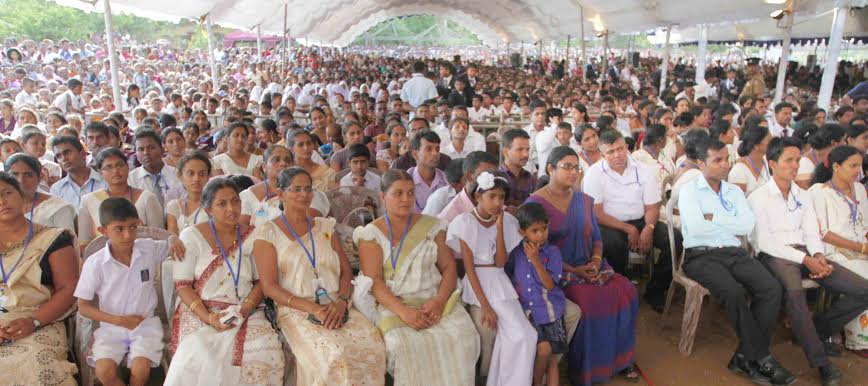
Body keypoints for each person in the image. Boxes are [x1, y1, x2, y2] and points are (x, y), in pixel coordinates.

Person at [749, 138, 868, 385]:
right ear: (772, 164)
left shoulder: (802, 195)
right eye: (788, 161)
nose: (795, 165)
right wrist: (805, 258)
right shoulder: (759, 197)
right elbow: (765, 243)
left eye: (797, 160)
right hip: (775, 256)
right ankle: (822, 363)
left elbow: (812, 232)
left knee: (863, 289)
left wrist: (817, 255)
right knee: (795, 293)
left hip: (806, 252)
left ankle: (814, 329)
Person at [678, 137, 795, 385]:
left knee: (771, 288)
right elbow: (697, 229)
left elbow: (747, 225)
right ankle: (761, 357)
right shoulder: (689, 190)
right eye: (717, 160)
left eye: (726, 159)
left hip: (733, 253)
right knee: (733, 292)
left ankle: (744, 356)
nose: (725, 165)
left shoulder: (733, 191)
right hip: (700, 255)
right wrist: (719, 222)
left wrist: (714, 218)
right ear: (700, 163)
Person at [253, 167, 386, 385]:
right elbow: (269, 287)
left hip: (337, 303)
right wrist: (313, 308)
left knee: (372, 345)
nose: (304, 195)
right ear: (281, 194)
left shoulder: (325, 226)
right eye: (296, 189)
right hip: (297, 310)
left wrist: (342, 301)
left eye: (308, 189)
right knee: (334, 356)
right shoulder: (267, 233)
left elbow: (345, 271)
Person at [354, 170, 480, 385]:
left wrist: (439, 302)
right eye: (398, 193)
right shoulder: (371, 233)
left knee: (462, 336)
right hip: (394, 304)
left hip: (435, 299)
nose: (406, 199)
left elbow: (449, 267)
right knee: (402, 345)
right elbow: (374, 282)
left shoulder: (433, 226)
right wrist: (405, 313)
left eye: (411, 193)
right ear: (383, 197)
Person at [526, 146, 639, 385]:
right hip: (557, 272)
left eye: (576, 167)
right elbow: (537, 252)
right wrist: (574, 270)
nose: (573, 172)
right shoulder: (536, 203)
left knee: (626, 290)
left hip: (590, 265)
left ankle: (620, 359)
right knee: (587, 302)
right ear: (550, 169)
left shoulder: (584, 200)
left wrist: (596, 261)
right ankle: (587, 369)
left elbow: (596, 238)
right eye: (567, 167)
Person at [166, 178, 285, 385]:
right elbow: (182, 286)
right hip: (201, 310)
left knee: (265, 350)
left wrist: (244, 310)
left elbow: (260, 282)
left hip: (247, 309)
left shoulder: (253, 235)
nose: (231, 208)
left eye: (235, 201)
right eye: (222, 204)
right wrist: (210, 318)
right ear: (208, 208)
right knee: (199, 356)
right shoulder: (191, 236)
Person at [74, 198, 186, 386]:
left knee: (140, 370)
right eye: (119, 229)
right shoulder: (95, 263)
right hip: (111, 326)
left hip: (145, 324)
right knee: (104, 372)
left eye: (133, 227)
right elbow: (83, 307)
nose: (128, 235)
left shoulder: (148, 248)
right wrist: (118, 320)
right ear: (103, 231)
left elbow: (170, 242)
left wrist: (174, 238)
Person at [446, 171, 536, 386]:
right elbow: (470, 269)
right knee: (521, 335)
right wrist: (485, 306)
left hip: (500, 282)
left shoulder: (506, 221)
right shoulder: (464, 222)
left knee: (526, 335)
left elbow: (500, 263)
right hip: (479, 284)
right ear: (478, 197)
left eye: (502, 197)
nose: (498, 202)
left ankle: (505, 381)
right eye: (492, 197)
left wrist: (499, 228)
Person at [582, 130, 679, 311]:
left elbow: (652, 206)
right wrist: (629, 229)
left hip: (642, 220)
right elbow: (597, 214)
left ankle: (655, 290)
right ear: (603, 154)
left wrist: (648, 229)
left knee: (674, 240)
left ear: (627, 147)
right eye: (610, 152)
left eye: (620, 149)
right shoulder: (594, 173)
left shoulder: (643, 170)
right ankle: (623, 289)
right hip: (610, 223)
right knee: (613, 244)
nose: (617, 155)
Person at [0, 172, 79, 385]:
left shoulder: (52, 238)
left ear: (21, 196)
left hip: (39, 320)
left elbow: (69, 288)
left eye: (7, 193)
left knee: (37, 365)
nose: (2, 201)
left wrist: (33, 321)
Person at [809, 145, 868, 356]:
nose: (857, 171)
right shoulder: (819, 192)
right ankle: (859, 340)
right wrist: (861, 247)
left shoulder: (859, 189)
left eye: (859, 166)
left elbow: (865, 224)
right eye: (852, 166)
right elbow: (823, 233)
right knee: (865, 283)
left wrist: (865, 243)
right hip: (834, 253)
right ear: (835, 166)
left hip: (860, 249)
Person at [507, 203, 568, 386]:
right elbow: (509, 276)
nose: (541, 234)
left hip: (550, 312)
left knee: (551, 361)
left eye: (544, 229)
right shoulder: (516, 253)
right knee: (543, 350)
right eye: (535, 230)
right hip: (529, 312)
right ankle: (534, 382)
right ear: (522, 232)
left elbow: (549, 285)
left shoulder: (552, 252)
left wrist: (535, 261)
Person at [78, 148, 164, 252]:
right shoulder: (88, 201)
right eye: (108, 167)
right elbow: (85, 245)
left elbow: (159, 238)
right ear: (100, 172)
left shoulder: (148, 198)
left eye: (120, 165)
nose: (115, 171)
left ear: (128, 167)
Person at [240, 145, 329, 228]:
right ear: (264, 166)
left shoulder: (308, 194)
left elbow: (306, 224)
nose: (283, 163)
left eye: (287, 160)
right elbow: (244, 230)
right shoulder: (248, 196)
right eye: (276, 160)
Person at [5, 154, 76, 232]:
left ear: (39, 178)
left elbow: (68, 241)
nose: (20, 180)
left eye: (28, 175)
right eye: (14, 175)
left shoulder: (57, 208)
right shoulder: (2, 206)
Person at [128, 130, 183, 209]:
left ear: (162, 149)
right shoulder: (131, 179)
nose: (146, 153)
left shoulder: (178, 175)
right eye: (141, 149)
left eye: (151, 148)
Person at [437, 151, 498, 222]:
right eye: (485, 175)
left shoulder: (497, 204)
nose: (492, 181)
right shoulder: (449, 217)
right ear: (469, 176)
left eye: (494, 175)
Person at [50, 135, 107, 209]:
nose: (64, 159)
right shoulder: (57, 190)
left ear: (83, 154)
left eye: (67, 152)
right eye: (58, 156)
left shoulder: (105, 182)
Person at [166, 152, 211, 236]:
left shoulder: (215, 204)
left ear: (208, 177)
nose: (196, 179)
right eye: (191, 173)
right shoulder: (174, 206)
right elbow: (173, 238)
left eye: (201, 174)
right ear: (180, 176)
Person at [407, 131, 448, 213]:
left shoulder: (446, 180)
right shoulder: (405, 181)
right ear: (415, 154)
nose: (435, 153)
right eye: (429, 149)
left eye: (437, 149)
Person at [796, 124, 845, 189]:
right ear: (833, 143)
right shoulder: (804, 163)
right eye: (843, 140)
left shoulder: (835, 159)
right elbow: (806, 193)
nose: (845, 143)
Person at [729, 123, 771, 196]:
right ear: (756, 146)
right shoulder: (739, 170)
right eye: (769, 141)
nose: (772, 144)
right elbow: (737, 200)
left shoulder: (770, 163)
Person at [498, 129, 537, 208]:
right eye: (520, 149)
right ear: (505, 152)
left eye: (527, 149)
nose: (526, 154)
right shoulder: (496, 178)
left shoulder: (530, 178)